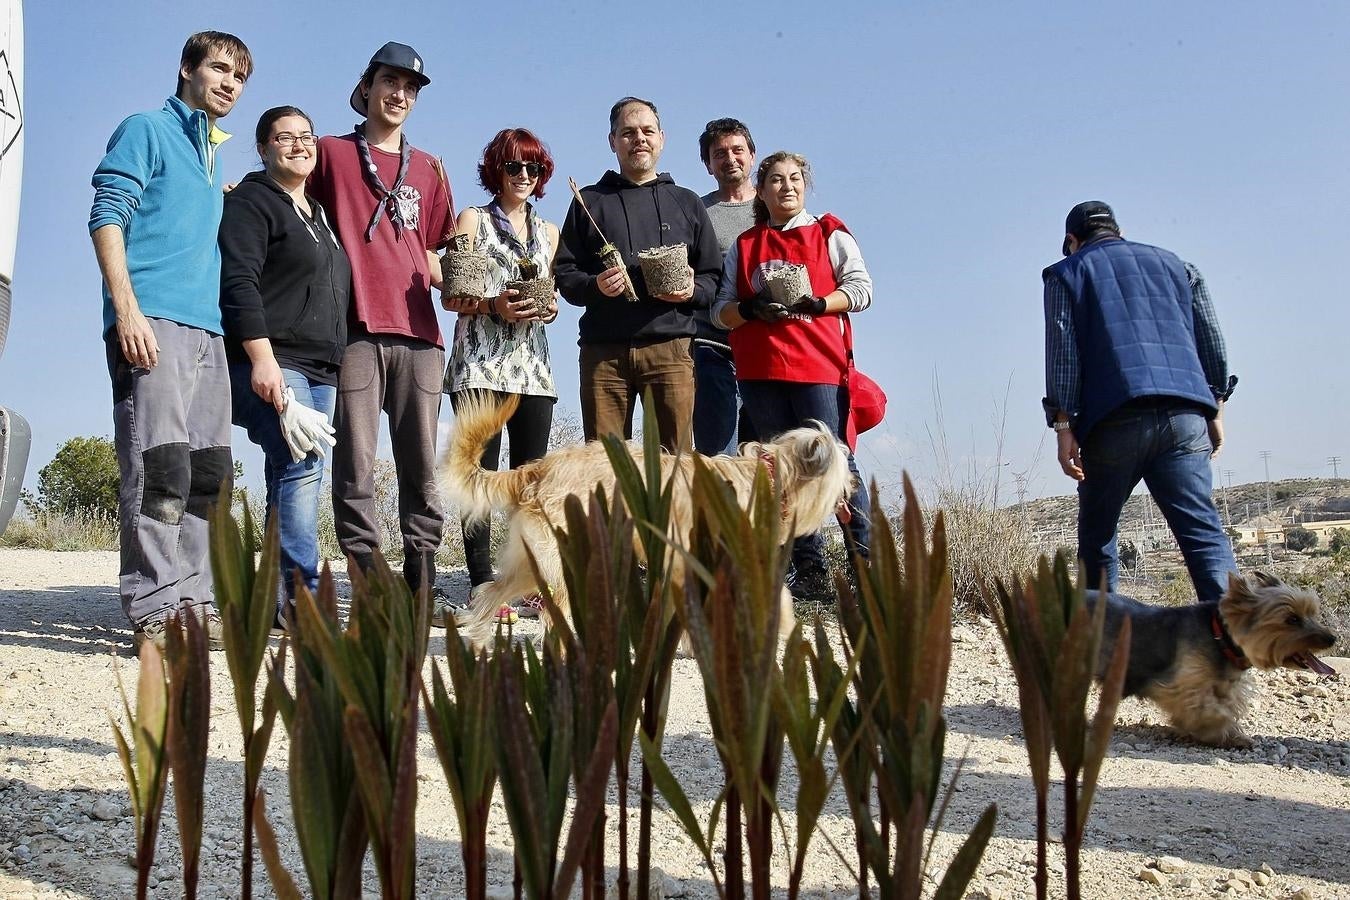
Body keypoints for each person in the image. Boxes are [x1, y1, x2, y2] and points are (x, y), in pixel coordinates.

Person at [89, 31, 253, 649]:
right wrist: (126, 312)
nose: (229, 84)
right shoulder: (146, 128)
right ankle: (155, 606)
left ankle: (196, 601)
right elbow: (107, 216)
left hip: (208, 330)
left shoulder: (212, 155)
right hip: (151, 320)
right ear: (186, 68)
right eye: (218, 69)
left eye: (239, 77)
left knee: (207, 473)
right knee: (157, 467)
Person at [307, 42, 455, 596]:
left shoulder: (431, 168)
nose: (400, 95)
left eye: (411, 88)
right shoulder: (329, 153)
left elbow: (437, 251)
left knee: (421, 461)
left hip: (420, 333)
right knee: (356, 460)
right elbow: (294, 207)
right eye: (390, 82)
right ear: (366, 87)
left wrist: (484, 293)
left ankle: (421, 572)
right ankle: (366, 572)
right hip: (354, 330)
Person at [1043, 200, 1238, 605]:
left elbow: (1064, 354)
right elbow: (1211, 341)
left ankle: (1101, 647)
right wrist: (1215, 402)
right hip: (1184, 415)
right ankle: (1232, 652)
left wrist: (1064, 426)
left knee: (1099, 539)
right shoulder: (1179, 267)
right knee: (1204, 536)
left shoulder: (1066, 273)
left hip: (1112, 418)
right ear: (1117, 231)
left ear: (1072, 241)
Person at [712, 151, 873, 604]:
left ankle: (867, 569)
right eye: (777, 180)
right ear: (760, 192)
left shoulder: (828, 232)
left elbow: (862, 289)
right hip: (760, 372)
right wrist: (749, 310)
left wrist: (819, 304)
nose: (787, 186)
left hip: (817, 367)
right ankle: (811, 572)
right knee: (781, 473)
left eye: (795, 179)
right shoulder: (745, 246)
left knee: (837, 464)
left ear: (806, 185)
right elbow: (719, 310)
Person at [219, 106, 351, 623]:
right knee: (302, 465)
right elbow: (239, 283)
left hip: (322, 365)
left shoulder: (318, 214)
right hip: (277, 357)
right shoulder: (253, 202)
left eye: (306, 136)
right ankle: (303, 602)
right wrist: (262, 359)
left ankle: (277, 600)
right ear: (262, 148)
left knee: (294, 472)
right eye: (284, 137)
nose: (298, 144)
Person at [554, 97, 722, 452]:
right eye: (628, 132)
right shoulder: (588, 201)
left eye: (647, 131)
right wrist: (595, 286)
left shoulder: (686, 201)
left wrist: (691, 290)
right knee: (604, 466)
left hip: (671, 350)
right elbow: (566, 274)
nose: (639, 139)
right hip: (604, 353)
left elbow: (712, 279)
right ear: (612, 141)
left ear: (662, 137)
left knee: (675, 462)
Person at [441, 128, 561, 624]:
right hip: (481, 363)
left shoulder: (550, 232)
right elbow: (452, 294)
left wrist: (546, 307)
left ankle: (528, 581)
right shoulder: (472, 219)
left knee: (533, 485)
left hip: (533, 370)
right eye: (515, 167)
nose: (525, 177)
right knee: (479, 480)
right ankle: (481, 585)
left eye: (533, 169)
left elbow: (552, 296)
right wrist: (494, 305)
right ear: (496, 170)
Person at [693, 117, 757, 455]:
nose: (730, 158)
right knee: (718, 459)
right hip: (712, 348)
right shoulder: (697, 212)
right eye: (719, 154)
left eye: (737, 150)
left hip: (767, 351)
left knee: (769, 463)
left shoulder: (775, 207)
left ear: (752, 155)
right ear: (707, 164)